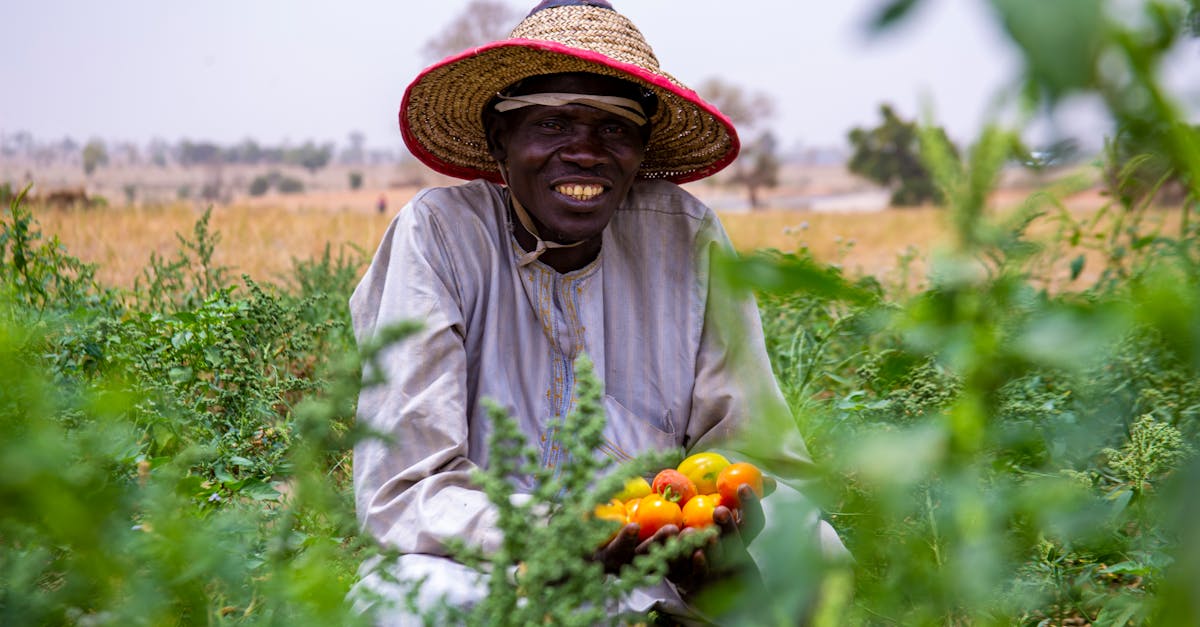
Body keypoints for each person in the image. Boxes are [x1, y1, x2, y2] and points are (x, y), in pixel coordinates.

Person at [349, 1, 844, 623]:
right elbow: (407, 486)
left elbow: (752, 453)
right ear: (501, 138)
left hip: (658, 547)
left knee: (816, 553)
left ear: (641, 147)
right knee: (403, 603)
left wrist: (720, 530)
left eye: (614, 128)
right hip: (494, 555)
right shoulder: (440, 235)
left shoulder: (687, 235)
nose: (585, 152)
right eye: (553, 122)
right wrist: (553, 534)